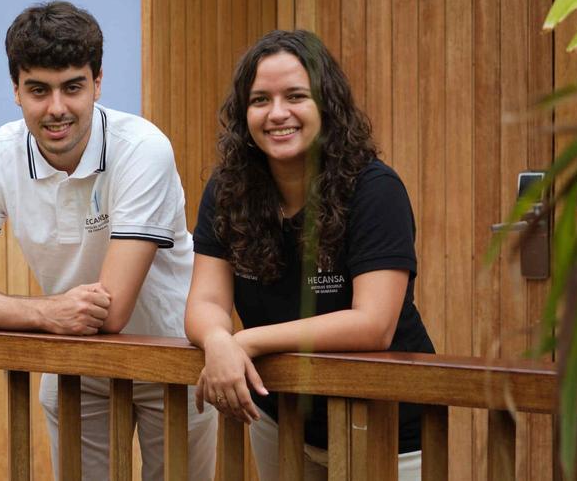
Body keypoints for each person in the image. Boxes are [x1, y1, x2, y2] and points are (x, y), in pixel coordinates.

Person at [0, 0, 216, 480]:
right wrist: (45, 312)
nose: (56, 108)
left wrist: (48, 313)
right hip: (72, 361)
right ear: (15, 90)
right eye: (38, 90)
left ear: (97, 83)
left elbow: (112, 311)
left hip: (171, 357)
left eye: (73, 88)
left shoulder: (143, 148)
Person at [185, 29, 435, 481]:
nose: (277, 113)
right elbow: (204, 302)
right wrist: (219, 340)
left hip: (387, 424)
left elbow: (373, 324)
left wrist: (247, 340)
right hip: (281, 418)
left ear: (327, 105)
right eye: (260, 100)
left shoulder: (375, 189)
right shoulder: (226, 191)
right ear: (244, 115)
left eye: (296, 96)